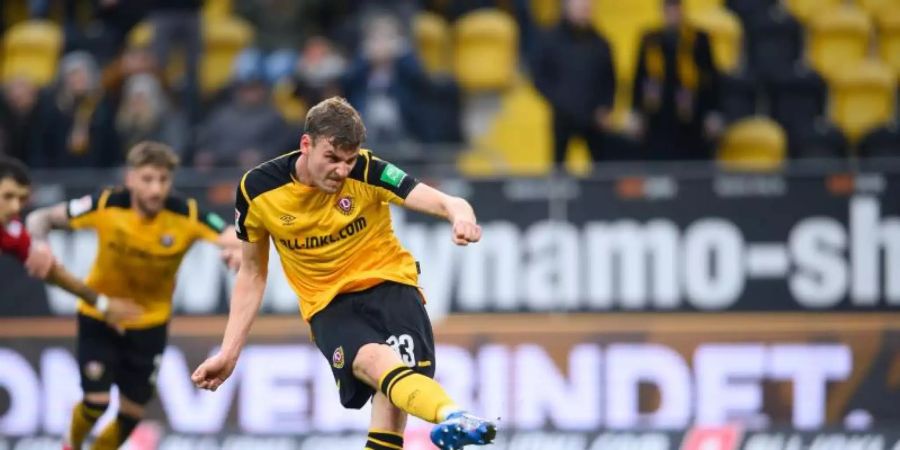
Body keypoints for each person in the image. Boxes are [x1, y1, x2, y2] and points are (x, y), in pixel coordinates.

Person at [191, 97, 497, 450]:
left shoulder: (369, 171)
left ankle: (454, 418)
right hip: (329, 306)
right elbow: (253, 273)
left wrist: (462, 219)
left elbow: (448, 202)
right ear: (306, 145)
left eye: (349, 160)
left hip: (392, 288)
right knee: (374, 360)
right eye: (332, 159)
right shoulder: (258, 190)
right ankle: (453, 416)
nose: (341, 170)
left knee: (388, 428)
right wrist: (229, 353)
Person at [25, 142, 240, 450]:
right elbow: (40, 219)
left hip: (150, 324)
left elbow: (231, 235)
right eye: (148, 179)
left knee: (131, 414)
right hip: (100, 315)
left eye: (163, 180)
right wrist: (40, 245)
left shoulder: (186, 213)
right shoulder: (106, 204)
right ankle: (69, 445)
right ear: (130, 179)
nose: (156, 189)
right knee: (96, 402)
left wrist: (237, 252)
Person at [0, 155, 141, 321]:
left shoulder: (12, 232)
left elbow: (53, 273)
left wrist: (101, 303)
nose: (16, 206)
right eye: (8, 197)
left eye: (22, 199)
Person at [531, 0, 616, 166]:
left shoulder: (601, 43)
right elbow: (539, 78)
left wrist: (606, 106)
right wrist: (560, 101)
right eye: (579, 7)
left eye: (587, 7)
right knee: (559, 169)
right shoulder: (551, 39)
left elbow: (610, 80)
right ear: (566, 8)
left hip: (594, 118)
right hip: (563, 117)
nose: (584, 11)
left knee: (600, 170)